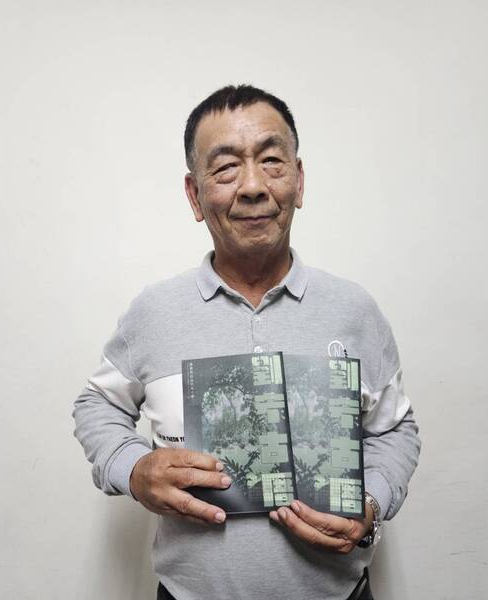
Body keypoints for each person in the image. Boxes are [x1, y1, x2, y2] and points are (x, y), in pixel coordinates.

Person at [73, 84, 421, 600]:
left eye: (272, 161)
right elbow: (96, 404)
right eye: (226, 168)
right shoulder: (154, 312)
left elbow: (395, 430)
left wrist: (372, 503)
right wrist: (134, 468)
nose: (253, 185)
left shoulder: (354, 310)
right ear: (195, 196)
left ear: (299, 181)